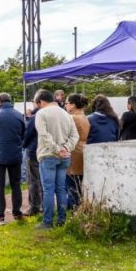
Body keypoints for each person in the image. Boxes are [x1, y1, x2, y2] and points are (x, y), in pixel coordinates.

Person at [35, 89, 79, 229]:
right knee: (61, 189)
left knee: (48, 189)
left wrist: (57, 149)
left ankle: (47, 222)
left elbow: (43, 135)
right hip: (65, 156)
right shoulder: (66, 114)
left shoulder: (41, 113)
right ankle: (61, 219)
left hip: (48, 155)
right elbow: (75, 136)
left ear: (42, 101)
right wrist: (66, 148)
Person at [0, 93, 26, 225]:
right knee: (16, 184)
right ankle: (17, 212)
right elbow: (23, 134)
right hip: (15, 153)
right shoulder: (19, 115)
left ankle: (0, 216)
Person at [64, 93, 90, 210]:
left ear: (73, 105)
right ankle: (77, 207)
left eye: (66, 103)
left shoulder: (72, 118)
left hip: (74, 151)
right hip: (83, 149)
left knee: (71, 184)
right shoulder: (85, 116)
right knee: (79, 183)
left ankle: (73, 208)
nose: (65, 106)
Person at [22, 98, 43, 215]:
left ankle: (34, 206)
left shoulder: (34, 117)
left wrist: (24, 145)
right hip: (47, 151)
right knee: (44, 180)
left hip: (33, 151)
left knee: (33, 179)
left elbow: (27, 135)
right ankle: (45, 206)